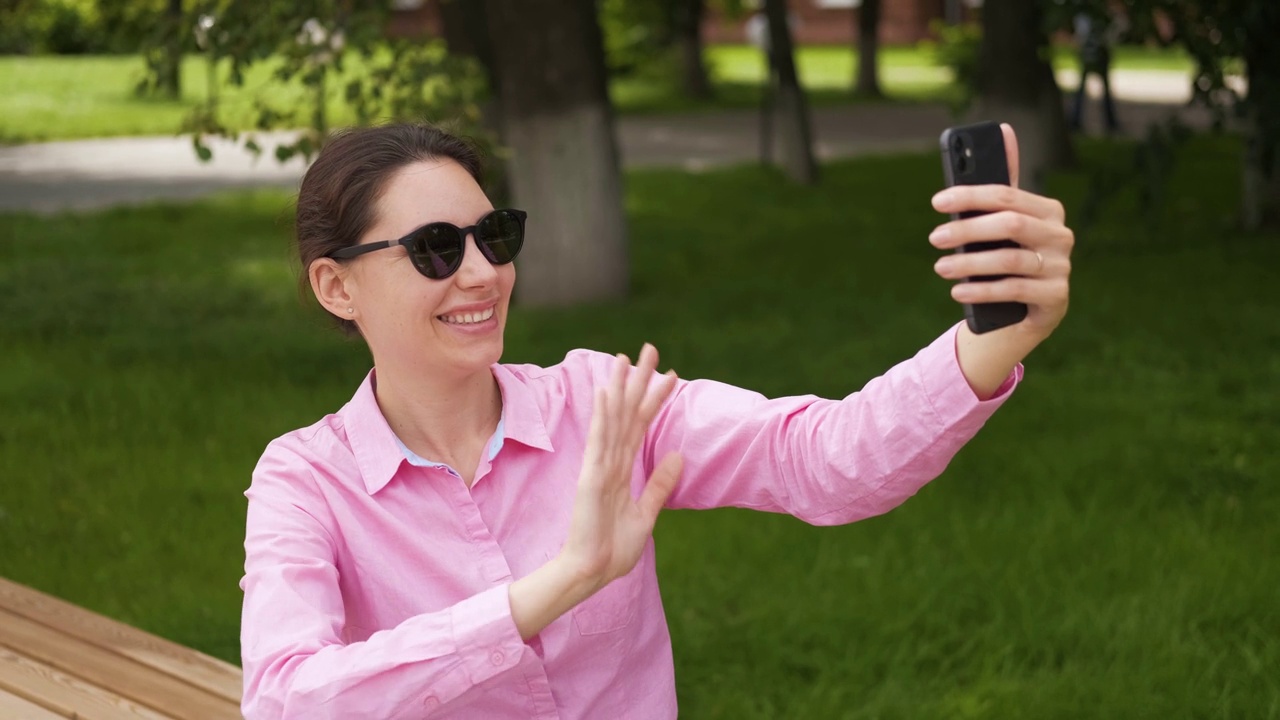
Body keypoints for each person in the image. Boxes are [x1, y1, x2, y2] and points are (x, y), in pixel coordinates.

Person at [240, 122, 1074, 719]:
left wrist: (996, 336)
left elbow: (825, 462)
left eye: (494, 236)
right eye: (435, 248)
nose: (482, 274)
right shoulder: (305, 479)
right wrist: (561, 581)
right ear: (336, 286)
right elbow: (285, 701)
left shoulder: (604, 403)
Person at [1070, 11, 1123, 133]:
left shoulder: (1089, 14)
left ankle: (1077, 120)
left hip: (1093, 53)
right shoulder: (1098, 15)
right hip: (1096, 53)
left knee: (1084, 90)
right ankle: (1109, 122)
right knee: (1092, 90)